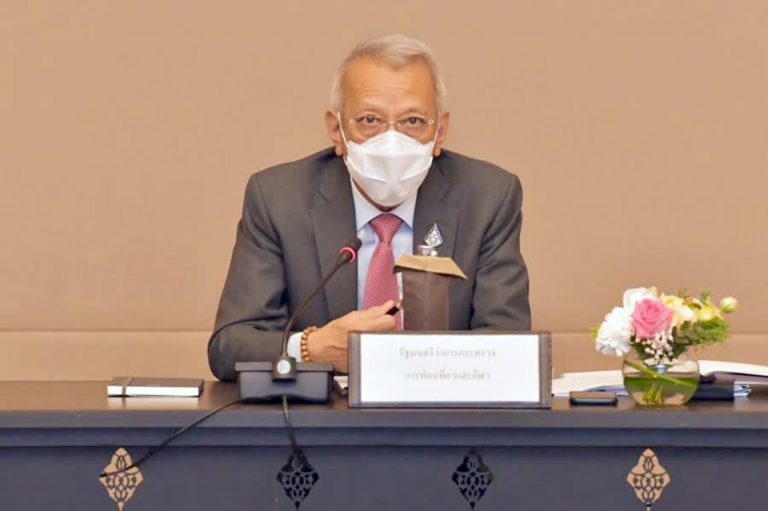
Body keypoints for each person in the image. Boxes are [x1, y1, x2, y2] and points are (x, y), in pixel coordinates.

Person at [208, 34, 530, 381]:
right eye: (370, 120)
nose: (391, 141)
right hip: (323, 414)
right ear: (336, 130)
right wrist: (312, 348)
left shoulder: (488, 198)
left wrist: (422, 367)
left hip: (439, 411)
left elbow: (509, 346)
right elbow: (230, 346)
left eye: (412, 121)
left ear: (440, 132)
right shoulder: (279, 199)